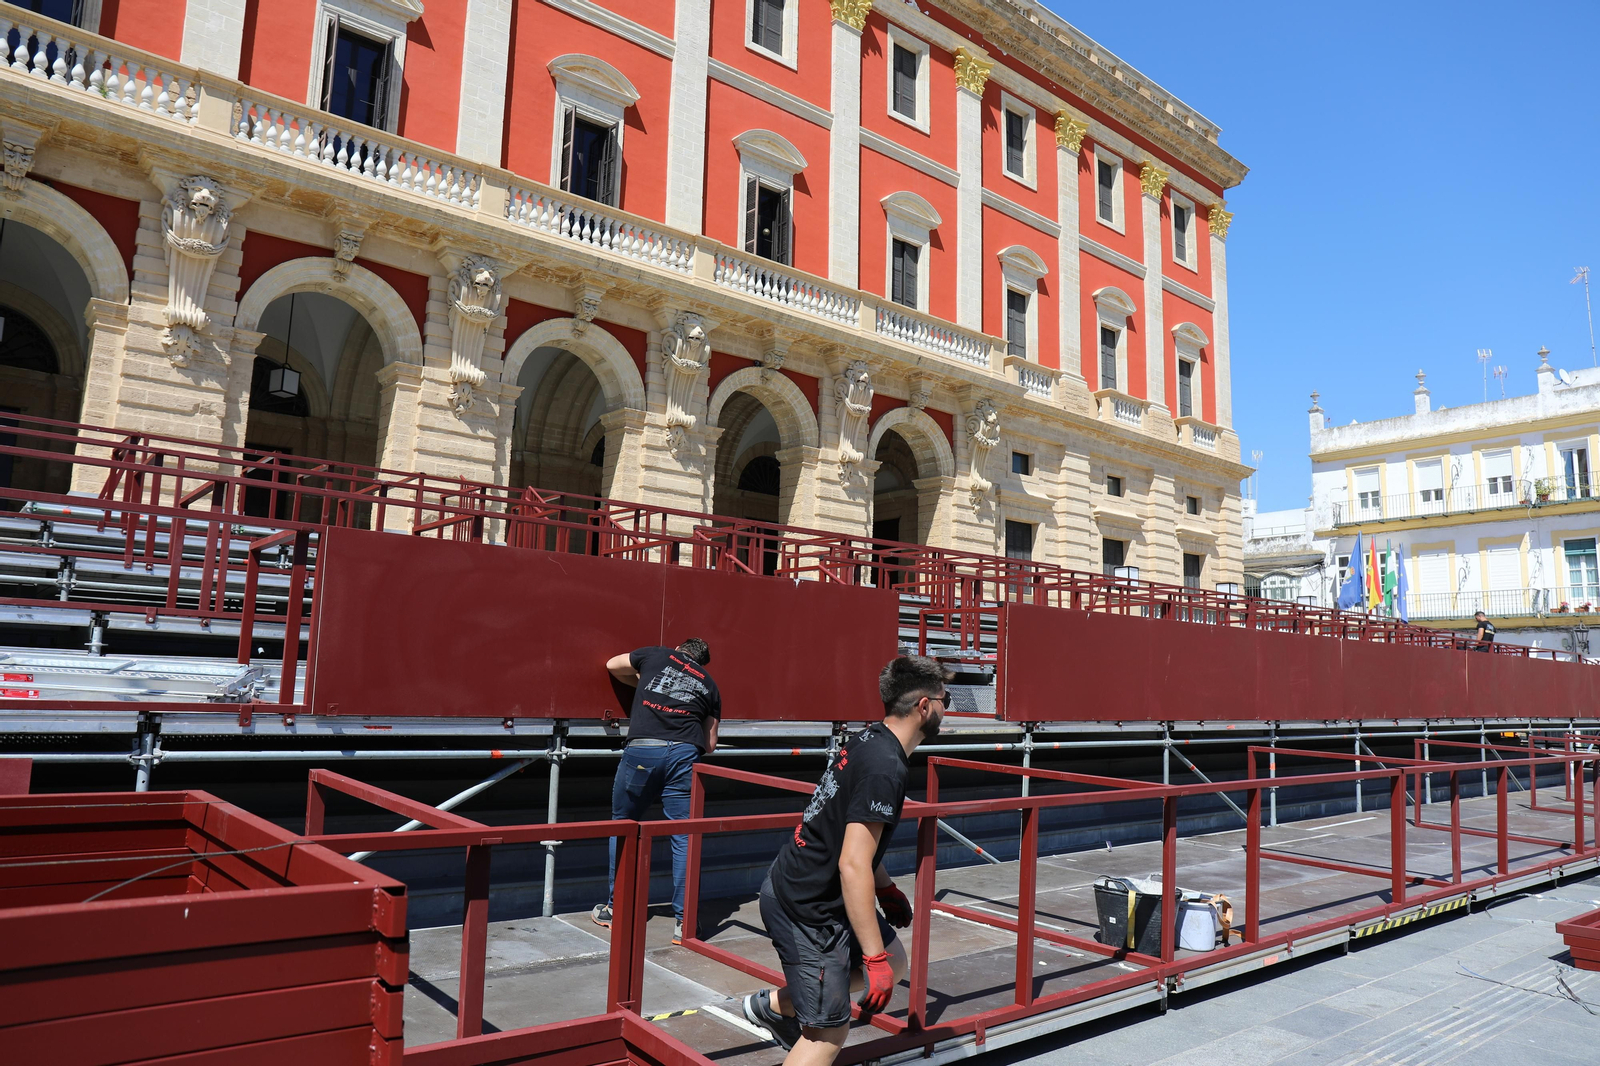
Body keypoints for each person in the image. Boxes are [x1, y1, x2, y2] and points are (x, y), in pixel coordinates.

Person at [743, 655, 952, 1065]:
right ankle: (808, 1012)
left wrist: (886, 889)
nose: (948, 708)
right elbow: (852, 864)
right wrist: (871, 958)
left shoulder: (869, 739)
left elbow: (853, 843)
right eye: (945, 699)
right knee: (829, 1031)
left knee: (895, 959)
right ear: (924, 707)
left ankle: (770, 1007)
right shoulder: (884, 767)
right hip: (805, 906)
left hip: (812, 888)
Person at [591, 638, 721, 945]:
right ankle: (684, 923)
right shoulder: (710, 685)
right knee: (684, 835)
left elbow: (612, 665)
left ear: (678, 649)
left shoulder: (657, 655)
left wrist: (641, 680)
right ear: (701, 663)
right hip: (685, 755)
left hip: (643, 751)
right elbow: (711, 744)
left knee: (624, 825)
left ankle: (615, 909)